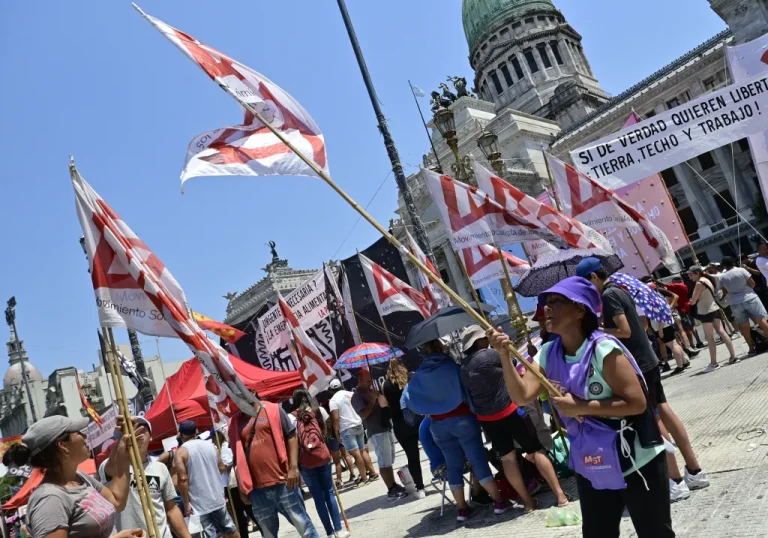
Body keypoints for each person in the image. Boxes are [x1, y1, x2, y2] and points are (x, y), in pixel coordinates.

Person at [488, 276, 673, 537]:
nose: (546, 309)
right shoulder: (546, 353)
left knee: (655, 533)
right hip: (592, 461)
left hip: (635, 459)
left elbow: (636, 403)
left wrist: (581, 406)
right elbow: (522, 395)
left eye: (555, 301)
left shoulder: (603, 349)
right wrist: (504, 356)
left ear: (579, 309)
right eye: (545, 304)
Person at [577, 258, 710, 502]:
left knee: (653, 419)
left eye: (587, 283)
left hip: (637, 363)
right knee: (664, 410)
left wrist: (596, 331)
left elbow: (624, 330)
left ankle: (675, 481)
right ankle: (694, 470)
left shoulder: (608, 295)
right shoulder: (621, 288)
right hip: (647, 357)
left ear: (594, 277)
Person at [401, 339, 512, 523]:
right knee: (477, 460)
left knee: (453, 466)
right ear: (441, 348)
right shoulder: (451, 366)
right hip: (462, 419)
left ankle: (462, 509)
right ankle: (499, 501)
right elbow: (466, 389)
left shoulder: (420, 373)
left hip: (437, 425)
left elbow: (406, 399)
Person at [459, 325, 568, 509]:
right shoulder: (492, 355)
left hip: (487, 419)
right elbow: (516, 367)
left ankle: (527, 503)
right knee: (536, 450)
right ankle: (561, 496)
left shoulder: (463, 367)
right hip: (510, 410)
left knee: (508, 459)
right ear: (479, 341)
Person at [8, 415, 142, 538]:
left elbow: (116, 501)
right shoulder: (49, 499)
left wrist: (123, 453)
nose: (84, 436)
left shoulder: (79, 477)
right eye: (78, 432)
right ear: (63, 446)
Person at [228, 396, 319, 538]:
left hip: (283, 481)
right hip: (257, 490)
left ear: (251, 392)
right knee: (268, 535)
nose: (238, 399)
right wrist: (241, 486)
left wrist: (293, 468)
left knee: (304, 526)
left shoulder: (273, 409)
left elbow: (291, 435)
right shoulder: (235, 422)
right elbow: (237, 456)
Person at [101, 417, 191, 538]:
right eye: (132, 430)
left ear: (151, 436)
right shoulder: (116, 465)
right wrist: (123, 440)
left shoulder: (160, 468)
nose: (136, 433)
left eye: (141, 429)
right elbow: (112, 465)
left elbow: (171, 508)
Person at [290, 389, 350, 538]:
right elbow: (325, 430)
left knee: (318, 498)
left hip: (305, 462)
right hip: (323, 457)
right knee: (329, 492)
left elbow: (292, 440)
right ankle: (339, 530)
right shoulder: (319, 411)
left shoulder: (291, 417)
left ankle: (329, 532)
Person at [175, 420, 240, 538]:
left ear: (181, 434)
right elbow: (221, 468)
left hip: (198, 503)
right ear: (196, 431)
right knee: (229, 528)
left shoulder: (180, 453)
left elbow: (183, 480)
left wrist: (186, 503)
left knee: (208, 534)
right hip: (217, 497)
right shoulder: (211, 445)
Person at [351, 370, 408, 501]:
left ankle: (393, 484)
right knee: (383, 462)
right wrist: (372, 400)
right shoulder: (357, 397)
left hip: (385, 426)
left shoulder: (372, 391)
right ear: (359, 381)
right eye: (367, 381)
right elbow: (364, 414)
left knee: (389, 460)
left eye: (370, 380)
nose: (370, 383)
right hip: (376, 431)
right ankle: (390, 489)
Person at [380, 358, 426, 499]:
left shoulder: (385, 385)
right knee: (433, 448)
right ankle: (444, 476)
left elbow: (383, 407)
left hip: (400, 425)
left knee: (412, 457)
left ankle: (420, 488)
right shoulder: (411, 377)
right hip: (417, 419)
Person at [328, 379, 378, 487]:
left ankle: (364, 478)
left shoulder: (333, 400)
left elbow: (335, 418)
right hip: (358, 424)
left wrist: (336, 433)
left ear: (332, 390)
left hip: (346, 428)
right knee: (363, 451)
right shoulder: (351, 394)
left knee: (356, 453)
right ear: (341, 386)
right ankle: (373, 473)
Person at [689, 266, 738, 370]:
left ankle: (714, 363)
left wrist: (691, 301)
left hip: (705, 311)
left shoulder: (699, 283)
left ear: (697, 273)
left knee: (709, 337)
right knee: (722, 332)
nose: (690, 276)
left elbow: (693, 301)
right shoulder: (707, 279)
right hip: (714, 308)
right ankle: (733, 356)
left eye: (691, 274)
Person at [718, 255, 768, 355]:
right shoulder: (741, 270)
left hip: (735, 302)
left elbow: (724, 290)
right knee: (761, 320)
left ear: (724, 266)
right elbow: (752, 283)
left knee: (744, 326)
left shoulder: (722, 277)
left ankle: (751, 348)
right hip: (750, 297)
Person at [666, 276, 706, 350]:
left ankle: (692, 345)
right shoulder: (684, 286)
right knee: (692, 326)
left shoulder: (677, 287)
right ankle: (699, 342)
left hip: (681, 309)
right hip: (687, 307)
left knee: (686, 328)